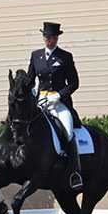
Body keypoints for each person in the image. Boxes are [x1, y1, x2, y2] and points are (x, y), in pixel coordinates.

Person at [27, 22, 83, 190]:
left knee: (67, 131)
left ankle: (75, 172)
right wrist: (30, 91)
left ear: (57, 38)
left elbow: (74, 83)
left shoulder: (65, 57)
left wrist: (59, 95)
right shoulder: (36, 56)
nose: (49, 41)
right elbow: (31, 80)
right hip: (41, 102)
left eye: (52, 38)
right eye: (46, 37)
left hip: (59, 104)